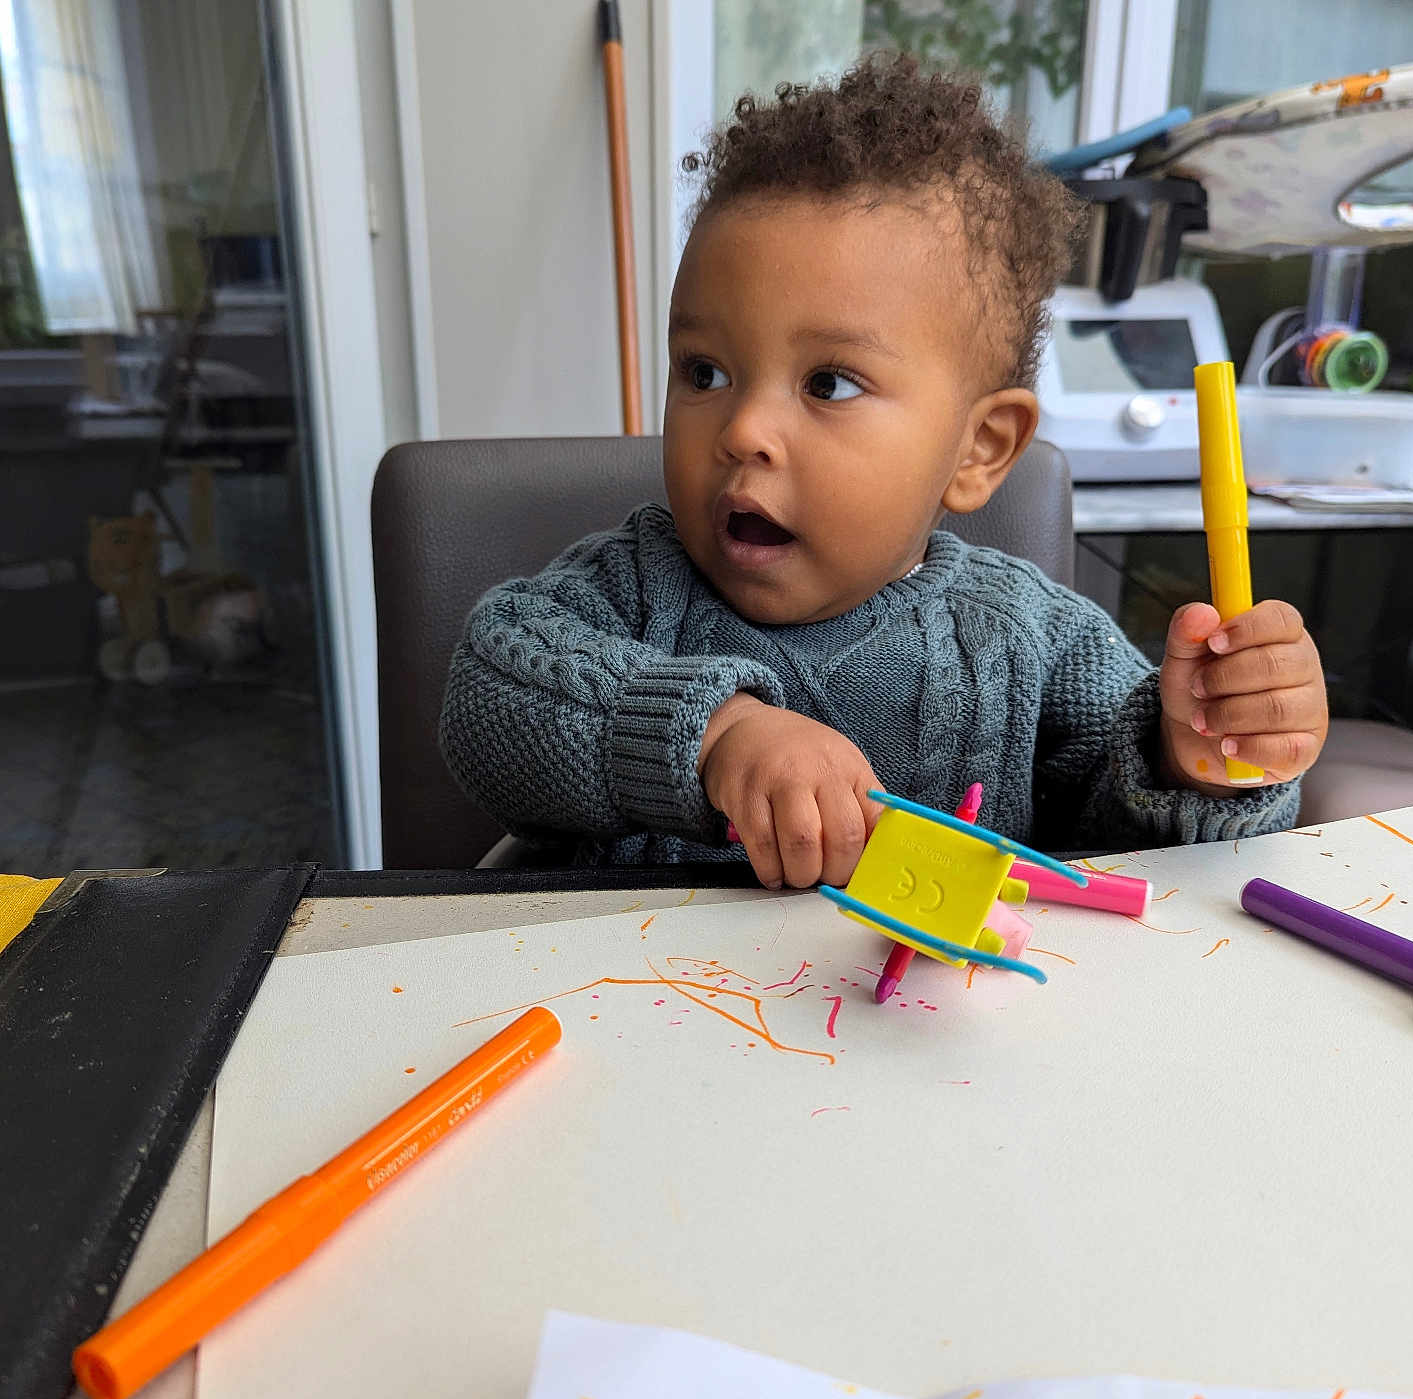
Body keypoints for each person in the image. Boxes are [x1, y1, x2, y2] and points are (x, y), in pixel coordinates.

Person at [440, 55, 1328, 888]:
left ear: (978, 450)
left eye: (827, 383)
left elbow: (1133, 857)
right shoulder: (625, 590)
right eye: (704, 371)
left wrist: (1203, 760)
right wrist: (717, 735)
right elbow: (486, 697)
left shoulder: (1033, 641)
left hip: (930, 1045)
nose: (743, 428)